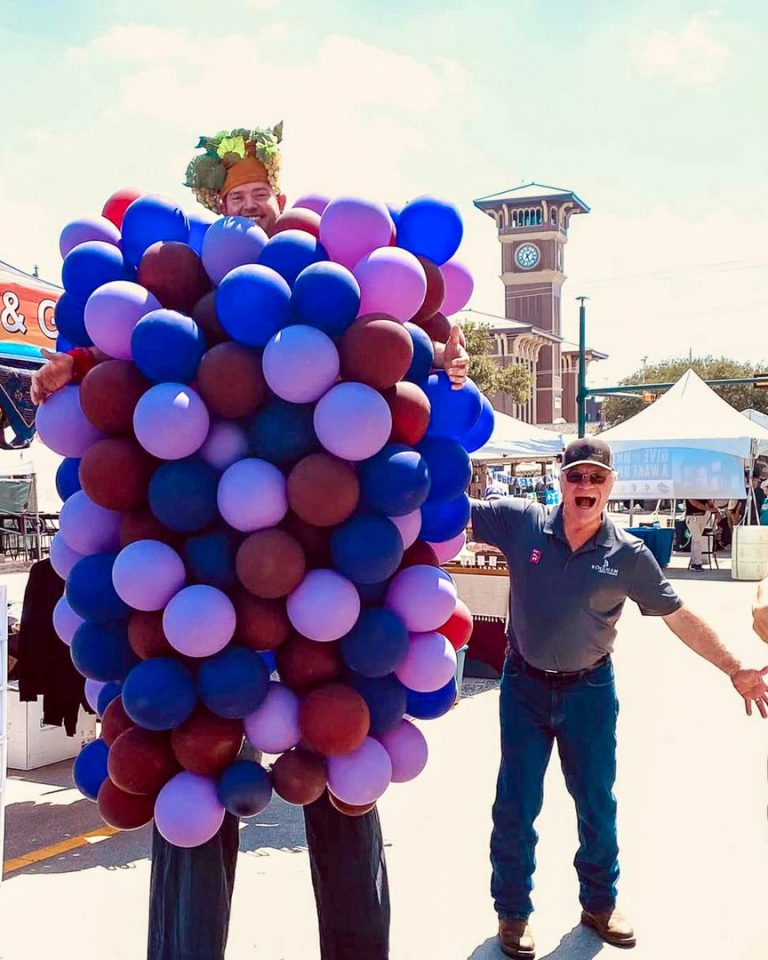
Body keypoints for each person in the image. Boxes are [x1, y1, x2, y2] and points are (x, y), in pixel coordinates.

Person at [32, 124, 470, 960]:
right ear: (214, 207)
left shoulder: (329, 273)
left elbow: (408, 347)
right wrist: (77, 363)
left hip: (334, 555)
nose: (247, 205)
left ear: (280, 190)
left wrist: (444, 358)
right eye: (231, 198)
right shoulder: (186, 275)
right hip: (193, 561)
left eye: (257, 191)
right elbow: (134, 347)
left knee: (341, 750)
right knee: (190, 762)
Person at [470, 437, 768, 959]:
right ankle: (513, 914)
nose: (584, 487)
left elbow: (678, 615)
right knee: (516, 804)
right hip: (524, 687)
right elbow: (449, 504)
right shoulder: (522, 523)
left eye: (595, 478)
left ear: (611, 485)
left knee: (596, 804)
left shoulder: (628, 554)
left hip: (589, 690)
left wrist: (735, 667)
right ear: (560, 480)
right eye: (576, 476)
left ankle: (600, 904)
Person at [684, 496, 718, 571]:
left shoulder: (703, 492)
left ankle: (694, 562)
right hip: (692, 517)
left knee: (695, 540)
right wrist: (710, 509)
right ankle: (697, 563)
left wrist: (716, 510)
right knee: (697, 539)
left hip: (702, 517)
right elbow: (695, 503)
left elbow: (709, 502)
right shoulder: (688, 491)